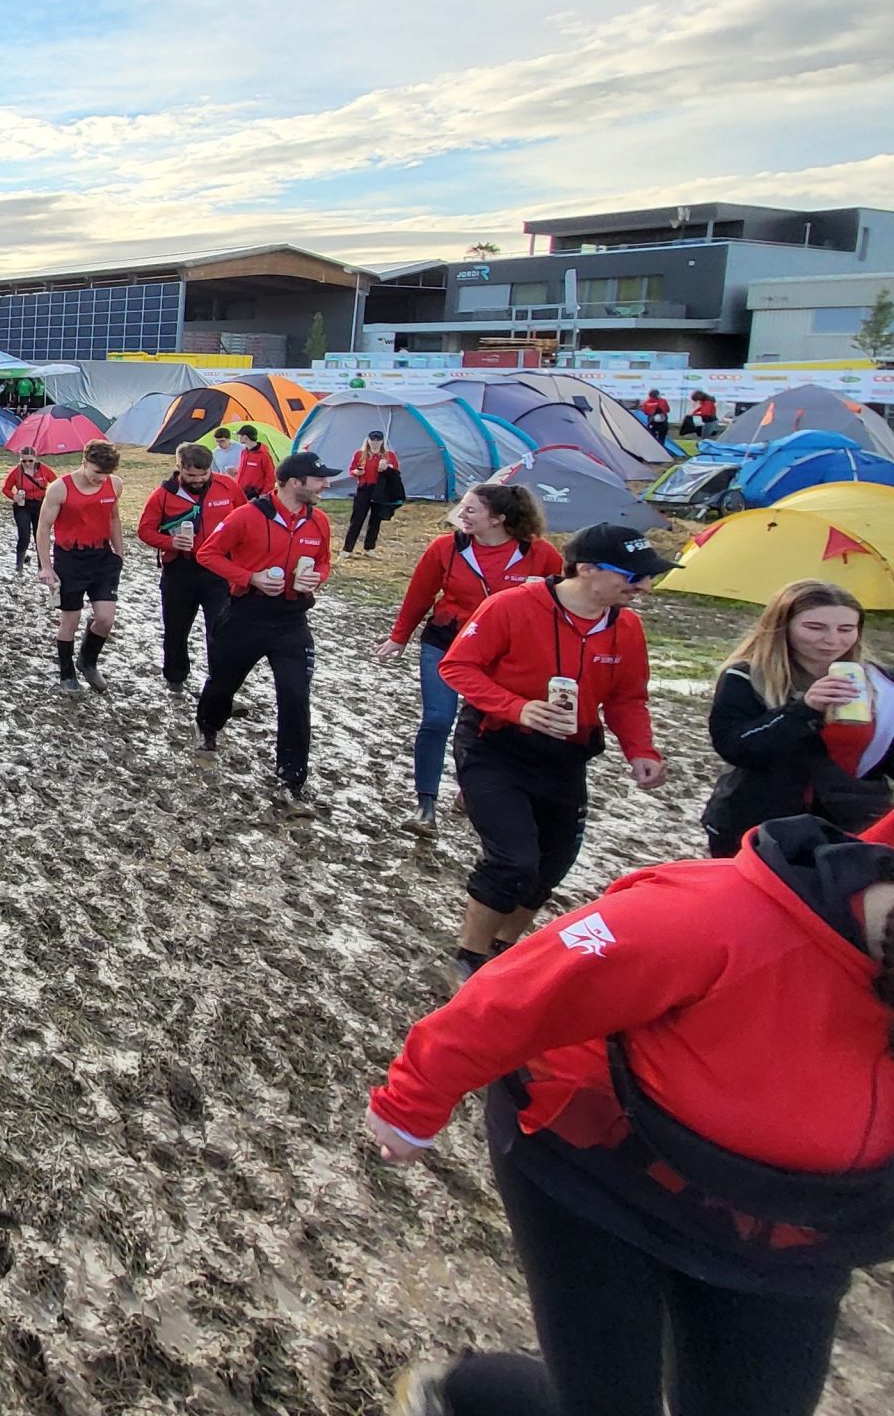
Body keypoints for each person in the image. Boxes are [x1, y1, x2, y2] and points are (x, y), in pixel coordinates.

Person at [365, 812, 894, 1416]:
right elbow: (522, 988)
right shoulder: (718, 917)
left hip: (790, 1231)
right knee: (606, 1399)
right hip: (594, 1167)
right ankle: (464, 1393)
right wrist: (412, 1100)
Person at [439, 523, 671, 977]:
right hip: (496, 745)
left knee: (551, 865)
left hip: (567, 756)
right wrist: (516, 708)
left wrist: (641, 750)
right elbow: (458, 666)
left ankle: (503, 948)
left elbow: (627, 698)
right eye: (635, 576)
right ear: (586, 569)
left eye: (649, 577)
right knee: (513, 860)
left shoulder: (626, 628)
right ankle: (467, 959)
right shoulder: (511, 606)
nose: (644, 586)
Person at [376, 484, 562, 839]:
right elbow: (420, 593)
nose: (461, 515)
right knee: (436, 719)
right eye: (462, 508)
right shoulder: (445, 548)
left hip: (506, 655)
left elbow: (558, 603)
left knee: (487, 726)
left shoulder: (540, 555)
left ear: (499, 519)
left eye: (471, 510)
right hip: (446, 644)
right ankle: (425, 805)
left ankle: (471, 789)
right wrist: (399, 637)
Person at [704, 581, 894, 856]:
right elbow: (735, 747)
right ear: (784, 626)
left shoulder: (882, 683)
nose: (832, 640)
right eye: (815, 628)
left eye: (846, 629)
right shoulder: (746, 677)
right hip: (757, 825)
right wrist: (804, 709)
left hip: (853, 824)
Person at [195, 450, 336, 816]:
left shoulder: (317, 521)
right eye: (319, 479)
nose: (327, 484)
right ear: (294, 482)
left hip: (292, 620)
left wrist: (316, 577)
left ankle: (292, 778)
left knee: (295, 693)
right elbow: (208, 554)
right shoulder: (247, 515)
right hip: (246, 615)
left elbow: (324, 561)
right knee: (224, 684)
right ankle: (208, 726)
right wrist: (249, 577)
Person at [136, 443, 245, 692]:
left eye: (202, 475)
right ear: (179, 468)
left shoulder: (228, 487)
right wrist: (170, 542)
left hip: (219, 569)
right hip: (180, 570)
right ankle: (175, 677)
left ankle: (218, 683)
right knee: (176, 628)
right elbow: (144, 530)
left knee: (220, 629)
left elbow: (245, 520)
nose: (197, 480)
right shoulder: (163, 495)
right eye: (191, 476)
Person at [36, 441, 127, 690]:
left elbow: (114, 517)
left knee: (106, 619)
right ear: (84, 462)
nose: (102, 479)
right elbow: (43, 527)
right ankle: (67, 673)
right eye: (98, 472)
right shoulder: (59, 489)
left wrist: (119, 552)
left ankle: (87, 661)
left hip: (102, 557)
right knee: (70, 621)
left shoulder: (115, 485)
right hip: (70, 559)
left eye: (106, 474)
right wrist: (46, 566)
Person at [343, 427, 402, 554]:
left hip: (380, 490)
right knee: (357, 519)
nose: (375, 443)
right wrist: (357, 472)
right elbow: (351, 470)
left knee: (375, 520)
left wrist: (387, 468)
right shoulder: (360, 454)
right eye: (373, 440)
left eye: (378, 440)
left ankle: (369, 548)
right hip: (364, 488)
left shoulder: (389, 455)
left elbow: (396, 472)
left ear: (382, 442)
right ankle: (347, 549)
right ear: (368, 441)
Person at [3, 449, 57, 575]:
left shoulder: (44, 469)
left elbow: (56, 483)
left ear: (35, 459)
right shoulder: (16, 472)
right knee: (24, 536)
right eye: (24, 461)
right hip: (23, 505)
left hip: (41, 505)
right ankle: (19, 566)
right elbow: (5, 488)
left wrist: (52, 497)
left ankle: (42, 566)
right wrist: (14, 497)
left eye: (30, 461)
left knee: (41, 536)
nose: (27, 463)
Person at [234, 424, 276, 498]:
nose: (238, 438)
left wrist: (264, 494)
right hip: (242, 492)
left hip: (256, 495)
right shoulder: (244, 452)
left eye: (239, 435)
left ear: (245, 437)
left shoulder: (263, 455)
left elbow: (271, 476)